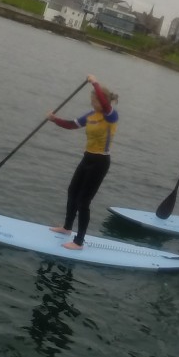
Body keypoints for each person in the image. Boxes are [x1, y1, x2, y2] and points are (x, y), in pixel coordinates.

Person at [48, 76, 119, 250]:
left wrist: (95, 82)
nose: (92, 102)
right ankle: (66, 227)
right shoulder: (90, 115)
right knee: (72, 191)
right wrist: (54, 119)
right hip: (87, 158)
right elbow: (72, 125)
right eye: (92, 100)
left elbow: (104, 101)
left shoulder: (111, 115)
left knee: (83, 201)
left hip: (100, 161)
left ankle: (79, 242)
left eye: (94, 99)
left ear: (101, 100)